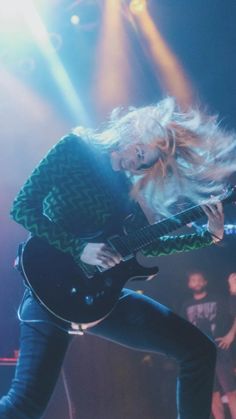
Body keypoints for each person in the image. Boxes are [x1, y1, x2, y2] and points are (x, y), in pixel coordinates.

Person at [0, 96, 235, 419]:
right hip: (50, 291)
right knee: (23, 406)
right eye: (139, 153)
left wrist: (210, 234)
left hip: (101, 298)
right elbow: (22, 207)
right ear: (130, 128)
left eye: (144, 163)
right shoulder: (74, 149)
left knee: (198, 351)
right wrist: (78, 248)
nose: (136, 164)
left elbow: (148, 246)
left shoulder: (126, 190)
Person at [181, 271, 236, 419]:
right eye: (193, 280)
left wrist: (231, 335)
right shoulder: (186, 305)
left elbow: (234, 312)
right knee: (212, 394)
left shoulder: (218, 299)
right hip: (201, 355)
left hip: (220, 351)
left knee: (231, 390)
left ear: (205, 282)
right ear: (189, 284)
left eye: (200, 280)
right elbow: (184, 331)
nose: (197, 283)